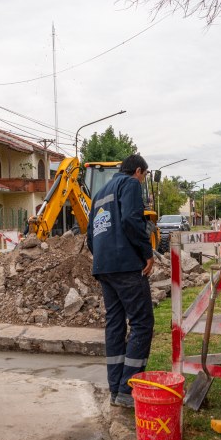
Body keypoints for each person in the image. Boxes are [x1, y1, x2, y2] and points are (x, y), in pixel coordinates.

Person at [86, 154, 155, 408]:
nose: (143, 179)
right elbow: (130, 219)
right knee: (142, 323)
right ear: (138, 171)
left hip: (103, 268)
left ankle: (115, 389)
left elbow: (90, 237)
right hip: (126, 266)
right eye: (144, 175)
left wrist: (103, 258)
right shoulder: (131, 184)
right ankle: (128, 390)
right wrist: (146, 253)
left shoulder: (99, 193)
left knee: (114, 324)